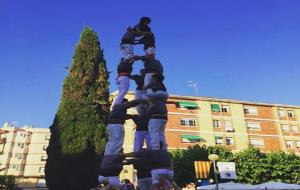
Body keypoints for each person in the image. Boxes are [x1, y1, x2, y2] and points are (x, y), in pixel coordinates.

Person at [143, 74, 169, 150]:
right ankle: (164, 148)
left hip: (155, 116)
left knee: (153, 132)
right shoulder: (162, 88)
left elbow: (148, 90)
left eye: (152, 79)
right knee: (161, 133)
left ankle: (155, 148)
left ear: (154, 79)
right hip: (164, 116)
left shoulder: (154, 86)